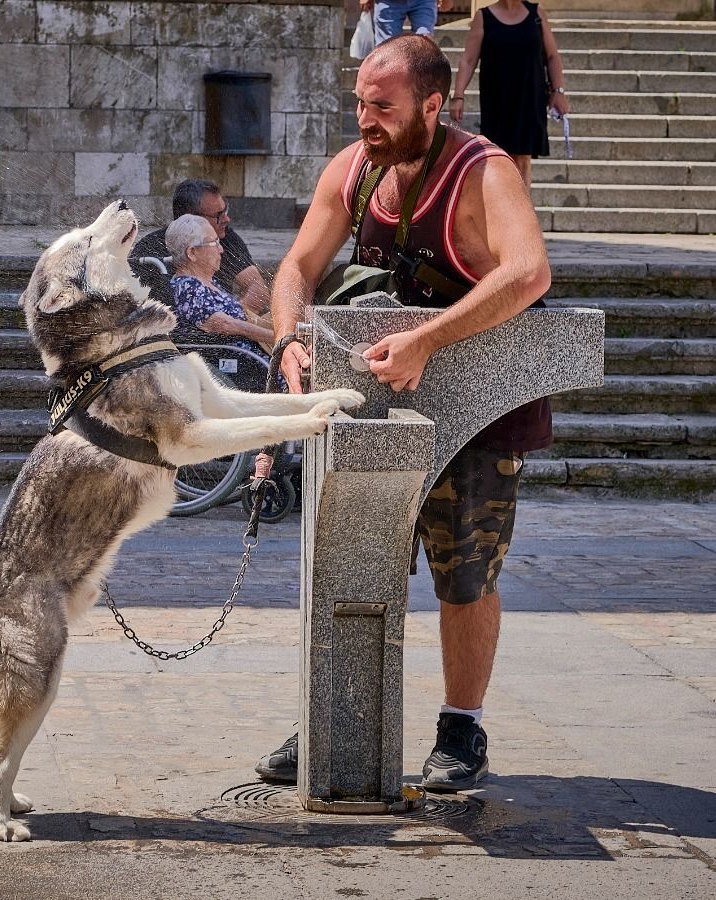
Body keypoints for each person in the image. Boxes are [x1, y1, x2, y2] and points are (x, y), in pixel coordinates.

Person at [258, 35, 552, 792]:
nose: (366, 119)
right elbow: (297, 267)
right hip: (375, 408)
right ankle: (337, 713)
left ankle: (461, 726)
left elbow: (528, 273)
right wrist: (289, 338)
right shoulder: (355, 170)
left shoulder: (481, 172)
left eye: (382, 107)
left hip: (477, 411)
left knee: (465, 574)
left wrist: (428, 339)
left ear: (432, 103)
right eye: (359, 102)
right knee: (348, 562)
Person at [447, 0, 568, 187]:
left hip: (530, 98)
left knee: (523, 158)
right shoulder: (483, 16)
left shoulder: (536, 13)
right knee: (500, 157)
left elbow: (552, 55)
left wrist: (558, 91)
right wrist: (458, 95)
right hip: (497, 100)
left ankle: (522, 211)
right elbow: (469, 60)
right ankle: (503, 208)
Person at [132, 180, 272, 316]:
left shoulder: (226, 238)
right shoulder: (150, 249)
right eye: (218, 215)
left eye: (225, 210)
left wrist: (232, 314)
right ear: (191, 219)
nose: (227, 219)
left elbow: (258, 289)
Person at [165, 214, 276, 358]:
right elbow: (225, 324)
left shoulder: (207, 283)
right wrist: (275, 337)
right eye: (214, 243)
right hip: (238, 366)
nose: (221, 249)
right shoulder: (187, 287)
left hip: (251, 360)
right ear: (192, 252)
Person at [364, 0, 453, 41]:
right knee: (387, 46)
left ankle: (421, 77)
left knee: (424, 42)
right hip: (388, 2)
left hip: (423, 2)